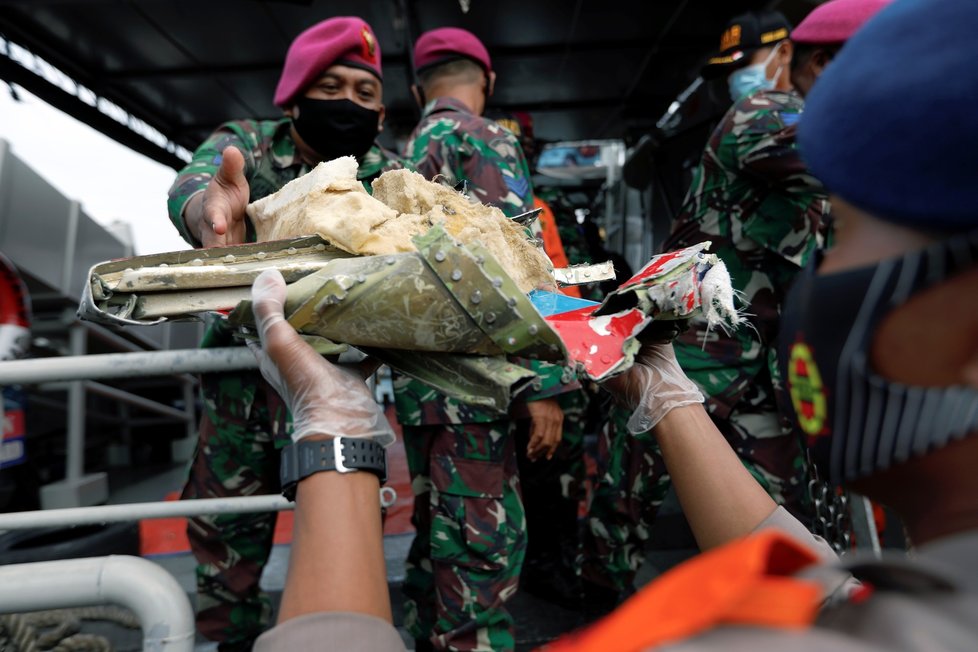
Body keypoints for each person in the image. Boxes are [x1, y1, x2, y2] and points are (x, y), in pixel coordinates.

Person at [253, 2, 978, 648]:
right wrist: (660, 400)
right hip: (516, 380)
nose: (830, 266)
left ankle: (578, 585)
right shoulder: (912, 614)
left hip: (440, 384)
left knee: (465, 538)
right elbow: (826, 595)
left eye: (845, 235)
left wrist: (335, 440)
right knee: (483, 547)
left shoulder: (402, 153)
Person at [579, 0, 890, 605]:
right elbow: (860, 158)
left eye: (744, 63)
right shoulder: (763, 111)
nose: (737, 79)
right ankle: (603, 592)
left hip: (762, 353)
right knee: (635, 478)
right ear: (818, 65)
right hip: (692, 343)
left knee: (772, 486)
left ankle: (773, 602)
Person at [165, 17, 402, 650]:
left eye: (364, 92)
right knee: (224, 539)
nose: (349, 103)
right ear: (295, 95)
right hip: (241, 390)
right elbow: (198, 185)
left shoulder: (386, 176)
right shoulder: (248, 144)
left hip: (336, 386)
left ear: (381, 114)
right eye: (330, 86)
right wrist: (208, 212)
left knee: (346, 525)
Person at [395, 26, 579, 651]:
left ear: (419, 87)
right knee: (482, 555)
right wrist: (545, 384)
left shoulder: (401, 155)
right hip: (479, 387)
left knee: (436, 542)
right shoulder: (486, 139)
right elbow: (518, 259)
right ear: (488, 81)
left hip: (421, 385)